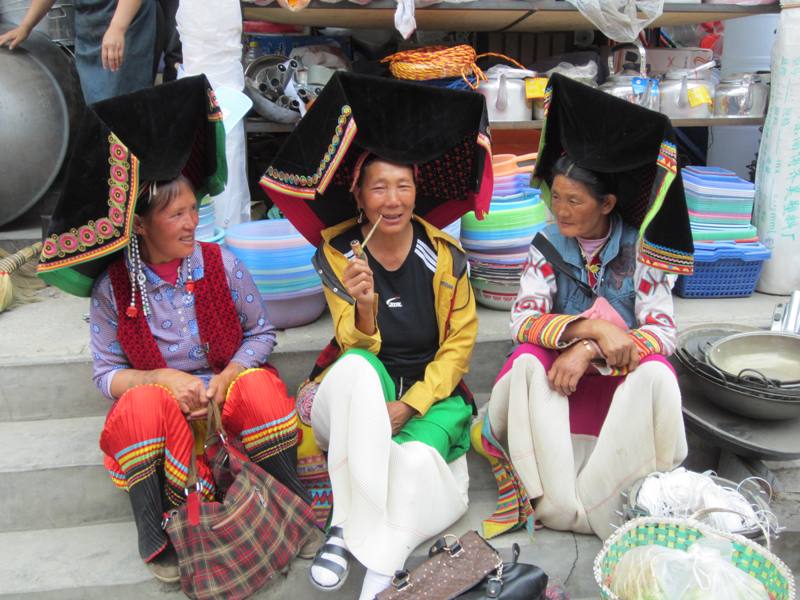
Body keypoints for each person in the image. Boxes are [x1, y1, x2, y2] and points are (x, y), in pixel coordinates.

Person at [88, 175, 321, 581]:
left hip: (224, 407)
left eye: (194, 209)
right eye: (176, 214)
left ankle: (292, 505)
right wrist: (161, 379)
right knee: (140, 404)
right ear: (140, 225)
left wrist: (228, 376)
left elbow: (261, 333)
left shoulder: (222, 264)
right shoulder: (113, 287)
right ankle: (155, 530)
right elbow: (107, 375)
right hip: (166, 420)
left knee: (260, 388)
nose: (191, 222)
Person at [476, 155, 688, 540]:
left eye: (574, 201)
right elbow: (523, 320)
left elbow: (663, 330)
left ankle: (620, 490)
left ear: (606, 204)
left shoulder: (642, 247)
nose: (561, 210)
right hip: (562, 382)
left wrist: (590, 348)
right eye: (556, 197)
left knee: (658, 371)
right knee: (525, 360)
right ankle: (552, 497)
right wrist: (589, 328)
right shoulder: (546, 244)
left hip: (615, 376)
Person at [302, 154, 478, 599]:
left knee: (412, 459)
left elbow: (458, 349)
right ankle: (343, 524)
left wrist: (411, 405)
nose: (393, 200)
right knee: (359, 369)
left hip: (431, 395)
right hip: (361, 387)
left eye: (403, 186)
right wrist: (363, 305)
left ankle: (379, 567)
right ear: (358, 195)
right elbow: (351, 346)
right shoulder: (340, 254)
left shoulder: (444, 258)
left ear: (417, 191)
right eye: (379, 187)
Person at [0, 0, 155, 104]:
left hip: (126, 21)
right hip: (89, 24)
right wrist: (26, 26)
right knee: (93, 107)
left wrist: (118, 27)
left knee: (120, 107)